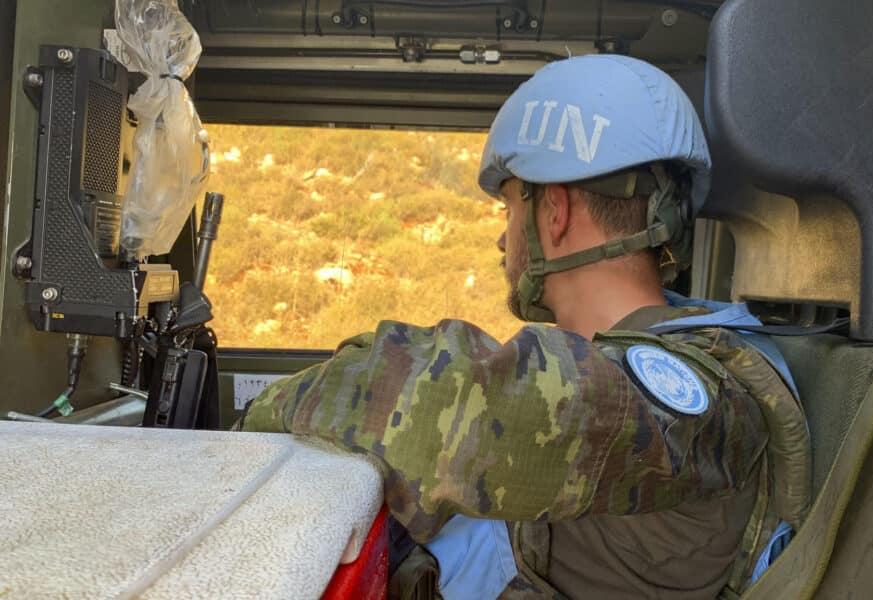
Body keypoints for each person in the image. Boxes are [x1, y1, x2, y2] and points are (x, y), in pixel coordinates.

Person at [241, 54, 805, 599]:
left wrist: (253, 420)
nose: (502, 238)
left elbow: (437, 400)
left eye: (509, 209)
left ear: (554, 211)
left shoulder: (698, 396)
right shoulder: (624, 368)